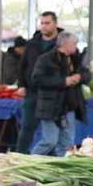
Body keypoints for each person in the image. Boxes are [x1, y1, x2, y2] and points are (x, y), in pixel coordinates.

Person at [31, 31, 90, 157]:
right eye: (74, 43)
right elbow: (37, 80)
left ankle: (60, 168)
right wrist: (63, 82)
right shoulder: (45, 59)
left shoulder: (76, 59)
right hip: (50, 106)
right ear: (65, 44)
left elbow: (87, 74)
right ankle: (28, 162)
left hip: (69, 106)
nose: (76, 46)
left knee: (67, 143)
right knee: (49, 141)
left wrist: (80, 77)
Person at [16, 11, 61, 153]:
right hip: (32, 92)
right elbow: (22, 65)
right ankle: (19, 158)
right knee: (27, 127)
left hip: (53, 94)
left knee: (51, 133)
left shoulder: (62, 43)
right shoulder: (32, 44)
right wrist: (21, 85)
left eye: (47, 23)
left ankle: (50, 162)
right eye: (42, 23)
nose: (44, 26)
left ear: (55, 24)